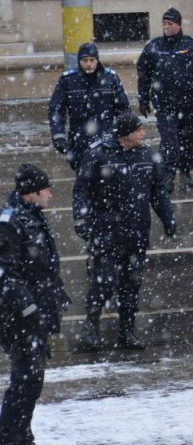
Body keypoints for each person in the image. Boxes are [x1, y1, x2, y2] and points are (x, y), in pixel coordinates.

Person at [73, 112, 177, 350]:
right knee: (103, 283)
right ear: (126, 134)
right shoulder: (98, 154)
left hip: (136, 233)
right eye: (139, 130)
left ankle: (127, 332)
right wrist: (81, 221)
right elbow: (82, 191)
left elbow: (158, 192)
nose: (143, 133)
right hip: (106, 232)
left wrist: (167, 218)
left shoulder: (147, 154)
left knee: (131, 284)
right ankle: (90, 328)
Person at [0, 165, 68, 444]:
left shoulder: (30, 216)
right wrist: (29, 309)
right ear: (32, 193)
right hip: (19, 317)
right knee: (26, 378)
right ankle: (11, 435)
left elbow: (41, 266)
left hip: (33, 312)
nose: (50, 194)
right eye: (46, 189)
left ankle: (20, 432)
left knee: (32, 378)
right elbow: (6, 274)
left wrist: (55, 295)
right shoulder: (11, 222)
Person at [136, 7, 193, 191]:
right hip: (164, 105)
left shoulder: (192, 46)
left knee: (187, 141)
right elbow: (144, 74)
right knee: (169, 141)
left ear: (178, 25)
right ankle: (167, 175)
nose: (166, 27)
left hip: (188, 105)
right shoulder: (154, 47)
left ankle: (185, 173)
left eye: (170, 23)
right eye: (164, 23)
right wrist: (143, 98)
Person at [48, 42, 130, 171]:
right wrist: (59, 136)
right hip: (79, 140)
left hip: (106, 139)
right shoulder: (68, 80)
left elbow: (123, 109)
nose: (88, 64)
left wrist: (125, 134)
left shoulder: (110, 78)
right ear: (79, 61)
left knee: (108, 182)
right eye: (85, 60)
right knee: (83, 183)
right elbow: (56, 111)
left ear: (97, 60)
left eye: (92, 60)